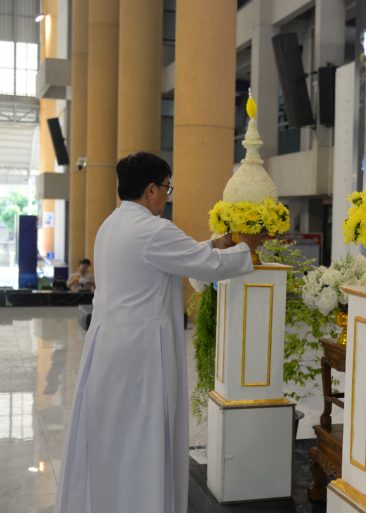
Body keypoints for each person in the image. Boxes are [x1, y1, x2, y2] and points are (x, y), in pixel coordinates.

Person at [55, 152, 261, 513]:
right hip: (140, 354)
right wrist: (248, 248)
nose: (167, 195)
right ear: (151, 189)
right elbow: (207, 266)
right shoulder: (153, 229)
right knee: (142, 436)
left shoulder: (112, 225)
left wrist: (216, 242)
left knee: (114, 438)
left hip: (108, 348)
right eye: (166, 188)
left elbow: (177, 256)